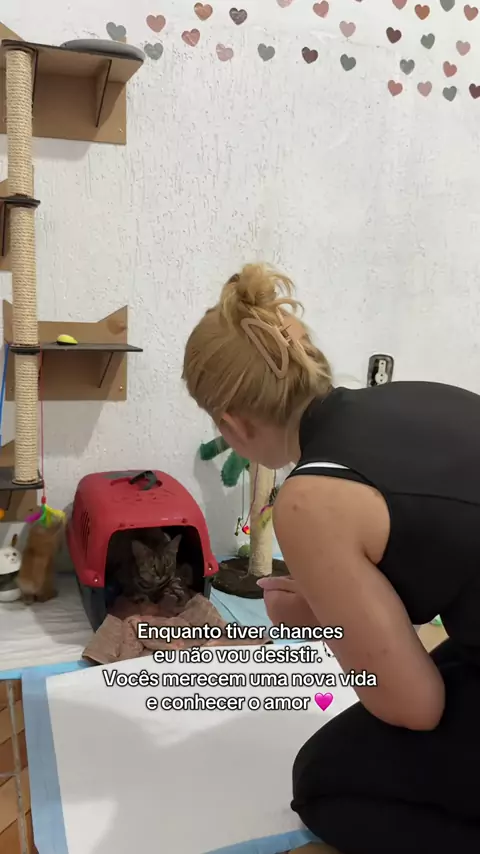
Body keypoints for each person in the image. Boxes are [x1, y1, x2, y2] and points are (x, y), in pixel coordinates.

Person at [182, 263, 480, 854]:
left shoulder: (310, 499)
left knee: (323, 781)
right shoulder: (409, 396)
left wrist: (324, 623)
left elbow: (414, 707)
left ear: (231, 424)